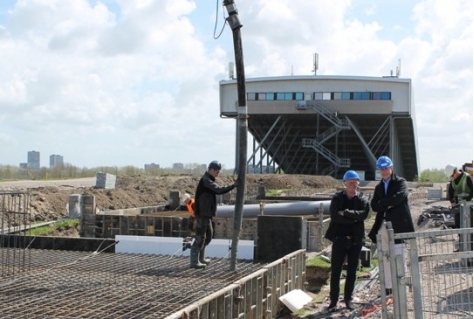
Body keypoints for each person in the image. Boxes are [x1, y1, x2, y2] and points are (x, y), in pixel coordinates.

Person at [368, 156, 415, 298]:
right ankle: (389, 288)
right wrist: (388, 203)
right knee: (386, 257)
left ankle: (402, 288)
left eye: (386, 168)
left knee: (399, 255)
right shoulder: (378, 187)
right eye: (381, 169)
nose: (384, 171)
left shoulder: (400, 182)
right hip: (383, 225)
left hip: (398, 225)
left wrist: (384, 202)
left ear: (391, 168)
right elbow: (374, 205)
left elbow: (399, 197)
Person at [324, 170, 370, 311]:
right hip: (339, 239)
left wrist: (346, 213)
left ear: (358, 184)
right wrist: (353, 220)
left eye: (355, 183)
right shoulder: (337, 199)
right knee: (336, 271)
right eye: (350, 183)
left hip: (355, 240)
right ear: (345, 184)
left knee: (352, 271)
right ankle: (333, 301)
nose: (352, 185)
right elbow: (335, 216)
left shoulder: (362, 199)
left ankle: (348, 299)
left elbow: (364, 215)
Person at [190, 160, 237, 269]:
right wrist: (233, 185)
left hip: (207, 214)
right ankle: (194, 261)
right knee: (200, 237)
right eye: (216, 170)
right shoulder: (206, 181)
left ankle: (200, 258)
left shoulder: (209, 180)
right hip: (202, 214)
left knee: (209, 236)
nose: (217, 172)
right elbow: (219, 190)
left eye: (218, 170)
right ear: (210, 169)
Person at [446, 165, 473, 251]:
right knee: (459, 227)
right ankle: (462, 246)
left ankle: (471, 248)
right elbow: (450, 195)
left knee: (470, 227)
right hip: (458, 209)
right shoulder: (452, 182)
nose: (452, 178)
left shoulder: (467, 177)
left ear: (455, 172)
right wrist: (453, 202)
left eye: (452, 175)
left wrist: (467, 200)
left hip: (470, 207)